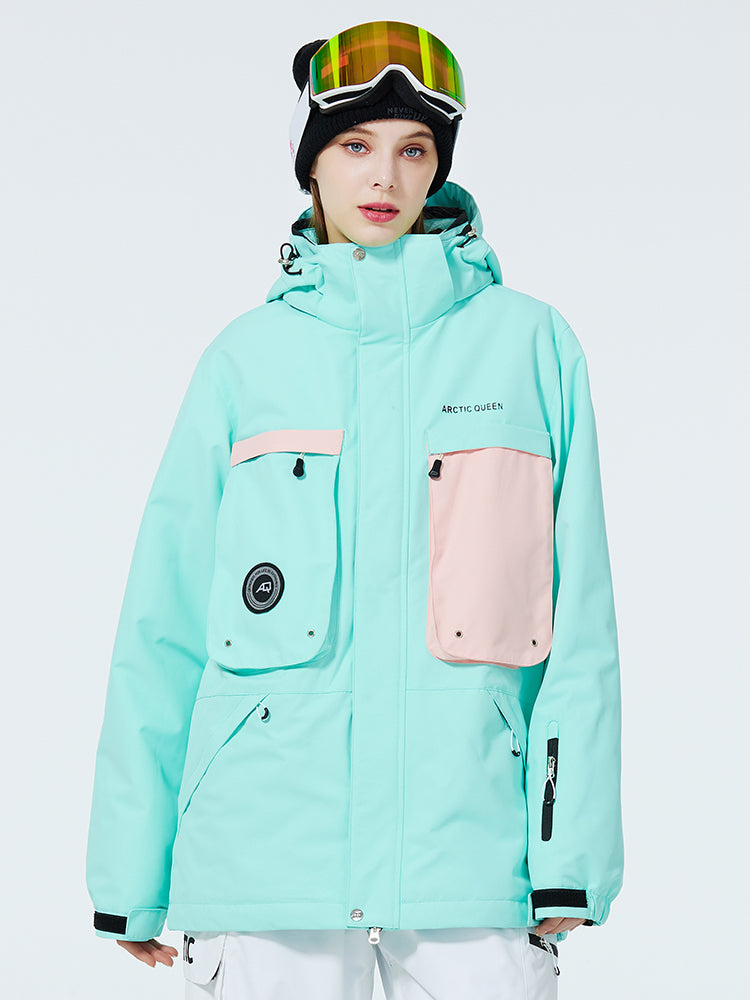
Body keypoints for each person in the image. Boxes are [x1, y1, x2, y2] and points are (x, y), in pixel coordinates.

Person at [85, 19, 624, 999]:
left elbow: (578, 631)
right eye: (356, 145)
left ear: (439, 167)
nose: (385, 176)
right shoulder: (244, 363)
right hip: (264, 857)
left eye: (414, 150)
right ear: (313, 165)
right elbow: (162, 626)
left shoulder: (532, 350)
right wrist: (132, 875)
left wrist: (568, 852)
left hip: (473, 855)